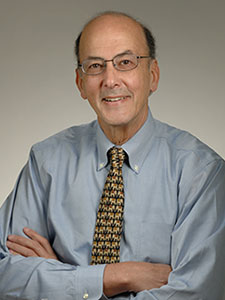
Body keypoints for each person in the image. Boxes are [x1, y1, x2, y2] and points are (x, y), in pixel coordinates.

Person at [0, 11, 225, 300]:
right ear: (81, 83)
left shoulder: (201, 172)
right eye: (95, 66)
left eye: (126, 62)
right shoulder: (46, 162)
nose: (110, 79)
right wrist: (120, 275)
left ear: (152, 76)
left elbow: (196, 294)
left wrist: (62, 280)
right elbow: (5, 272)